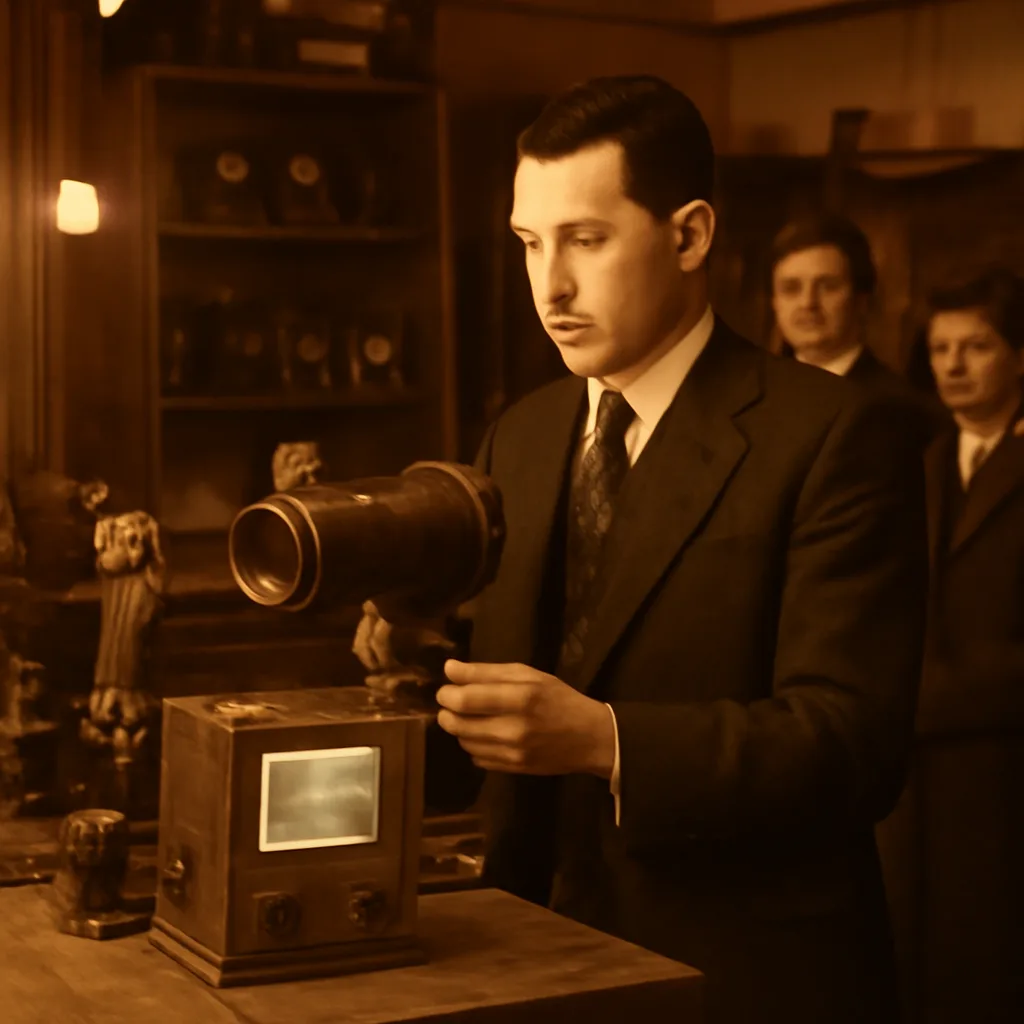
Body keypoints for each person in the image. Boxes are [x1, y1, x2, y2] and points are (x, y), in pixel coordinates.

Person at [355, 76, 927, 1024]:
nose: (551, 286)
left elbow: (852, 748)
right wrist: (427, 677)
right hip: (531, 960)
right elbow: (509, 727)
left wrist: (607, 741)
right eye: (531, 244)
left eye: (587, 238)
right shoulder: (524, 436)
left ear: (691, 234)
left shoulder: (832, 433)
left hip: (742, 975)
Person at [883, 267, 1024, 1024]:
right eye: (941, 349)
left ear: (1020, 356)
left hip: (1003, 775)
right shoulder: (922, 464)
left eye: (977, 346)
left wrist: (922, 696)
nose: (955, 366)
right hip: (916, 787)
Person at [770, 214, 948, 445]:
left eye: (827, 286)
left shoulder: (902, 410)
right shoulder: (753, 402)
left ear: (861, 300)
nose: (808, 303)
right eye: (791, 289)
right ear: (775, 302)